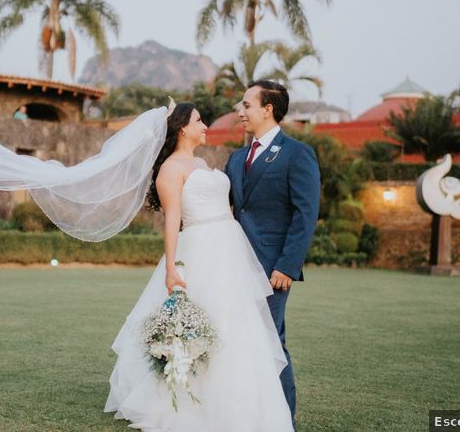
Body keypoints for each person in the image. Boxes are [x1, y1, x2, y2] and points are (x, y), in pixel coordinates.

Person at [104, 100, 296, 432]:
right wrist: (170, 268)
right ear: (182, 128)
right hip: (201, 248)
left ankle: (244, 400)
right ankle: (194, 403)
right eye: (199, 120)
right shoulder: (170, 170)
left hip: (231, 249)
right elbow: (173, 220)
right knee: (208, 318)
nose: (205, 125)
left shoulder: (203, 162)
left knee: (236, 324)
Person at [224, 80, 321, 430]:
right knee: (236, 343)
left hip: (272, 270)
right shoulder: (236, 158)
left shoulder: (297, 154)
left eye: (246, 105)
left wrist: (286, 265)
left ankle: (284, 422)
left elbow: (305, 213)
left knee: (270, 344)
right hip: (232, 268)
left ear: (268, 109)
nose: (240, 111)